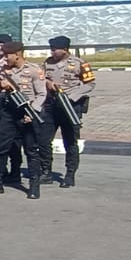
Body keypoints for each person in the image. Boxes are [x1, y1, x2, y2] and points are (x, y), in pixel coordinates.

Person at [0, 40, 47, 199]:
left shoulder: (33, 70)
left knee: (31, 150)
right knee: (1, 145)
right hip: (9, 113)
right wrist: (0, 86)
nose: (5, 59)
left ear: (17, 55)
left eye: (7, 55)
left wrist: (32, 112)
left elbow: (41, 94)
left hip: (29, 113)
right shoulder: (2, 70)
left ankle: (34, 185)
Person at [40, 35, 95, 187]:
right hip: (51, 105)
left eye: (55, 49)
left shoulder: (79, 63)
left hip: (70, 105)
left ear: (64, 49)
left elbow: (90, 84)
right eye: (51, 49)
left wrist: (73, 96)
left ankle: (70, 174)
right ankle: (46, 172)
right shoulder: (48, 63)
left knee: (70, 140)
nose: (52, 52)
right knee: (44, 140)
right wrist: (48, 83)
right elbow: (40, 78)